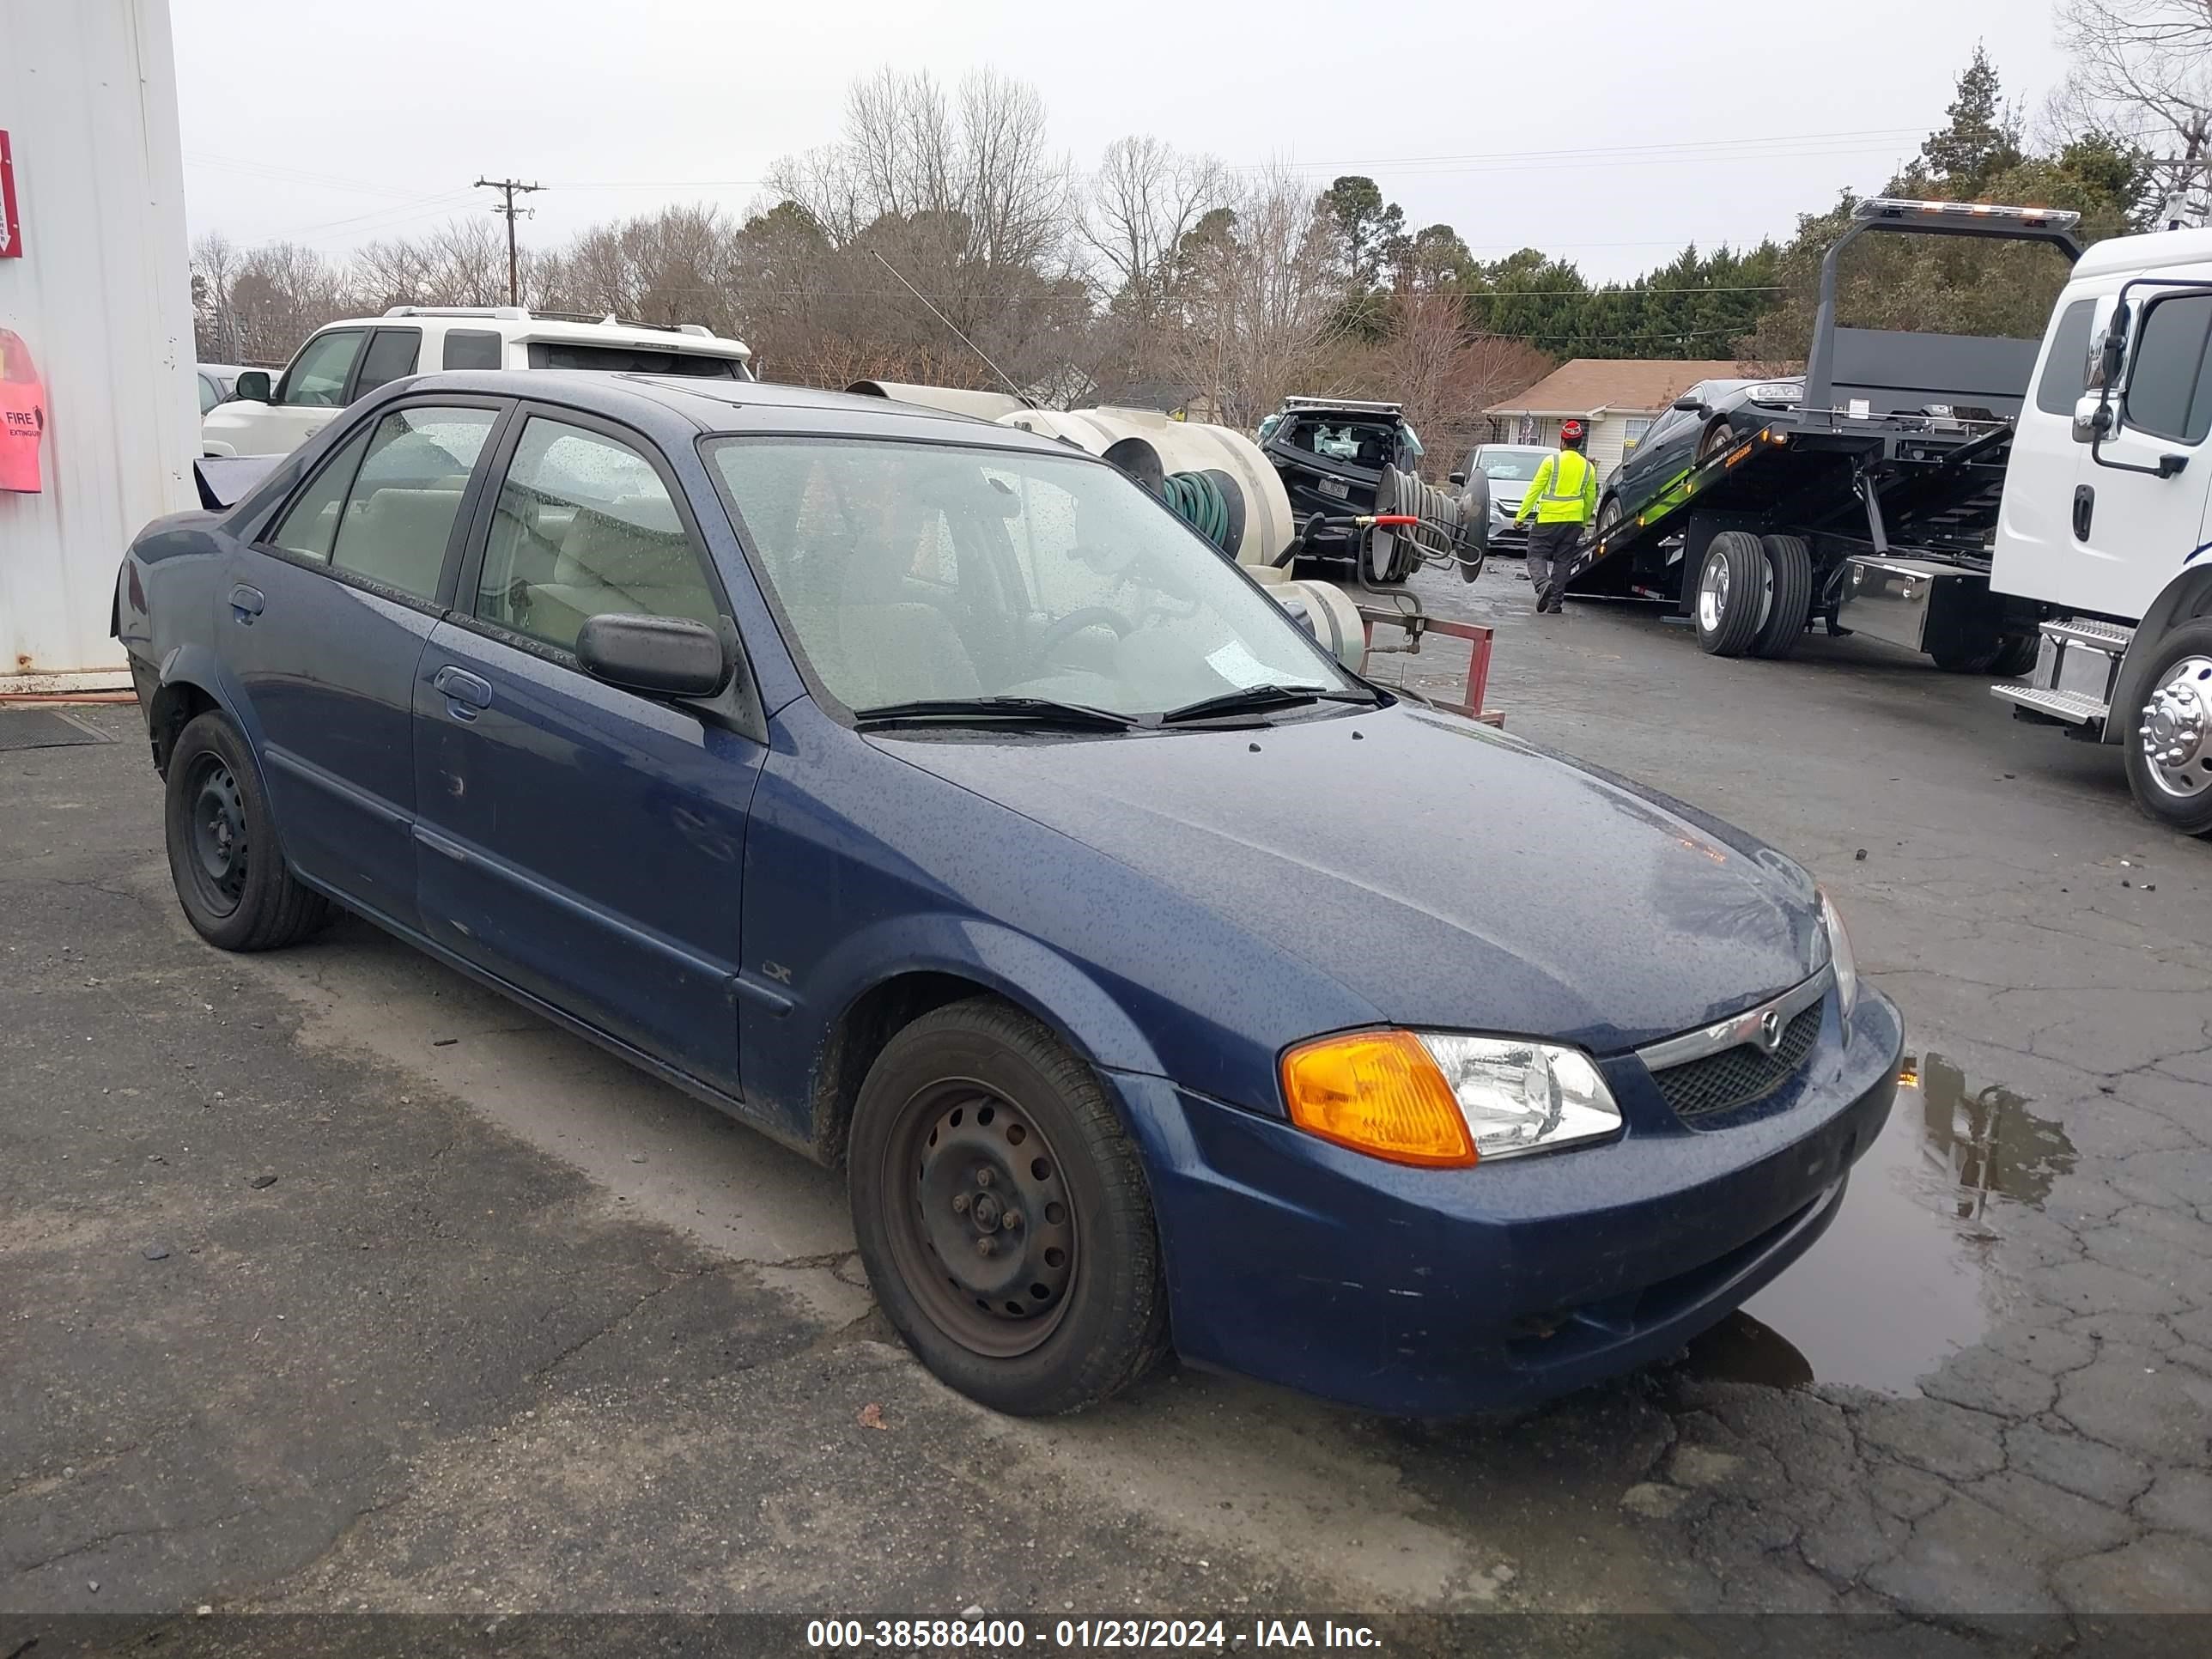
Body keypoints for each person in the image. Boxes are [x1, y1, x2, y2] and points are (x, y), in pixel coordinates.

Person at [1512, 418, 1597, 614]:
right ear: (1580, 443)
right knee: (1563, 561)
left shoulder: (1552, 462)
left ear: (1562, 441)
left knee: (1536, 554)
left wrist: (1521, 516)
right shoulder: (1588, 468)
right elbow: (1590, 499)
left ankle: (1543, 584)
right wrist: (1583, 522)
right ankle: (1555, 604)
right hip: (1573, 521)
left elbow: (1535, 489)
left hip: (1548, 519)